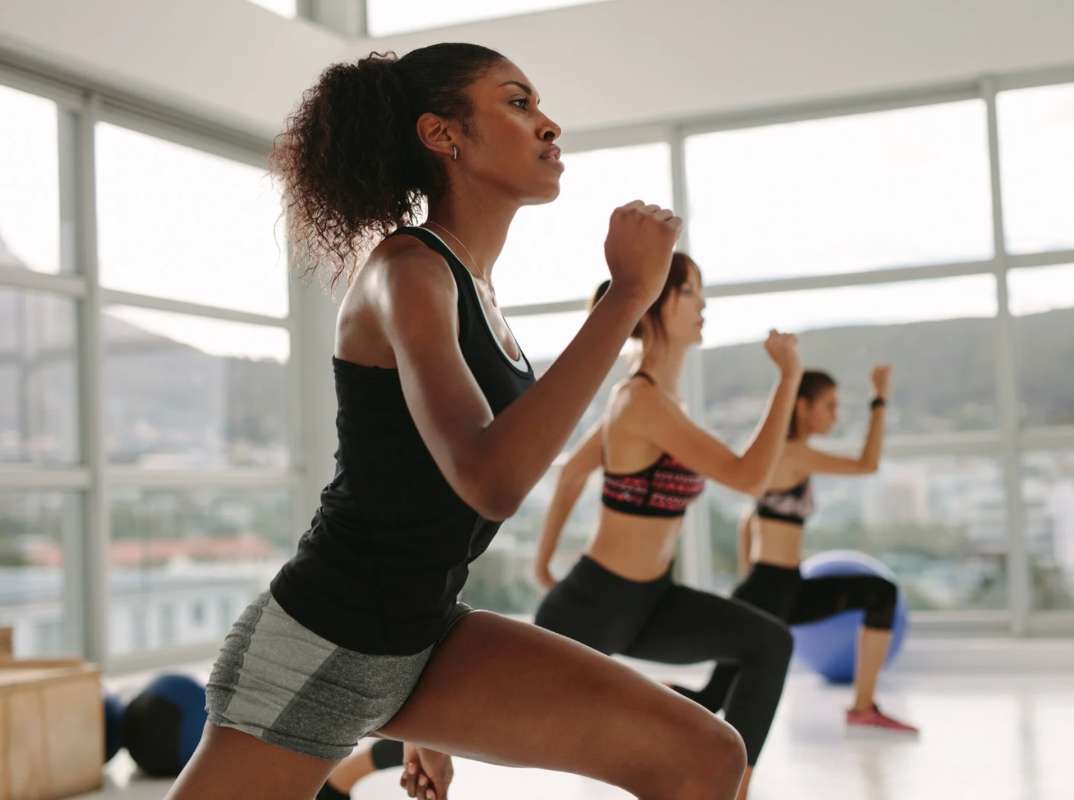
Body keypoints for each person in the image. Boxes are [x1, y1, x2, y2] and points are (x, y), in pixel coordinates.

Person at [168, 45, 751, 800]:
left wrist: (425, 716)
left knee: (705, 756)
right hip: (321, 642)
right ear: (444, 136)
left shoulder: (473, 286)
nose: (549, 125)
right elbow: (490, 478)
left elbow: (431, 495)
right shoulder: (405, 272)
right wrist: (626, 298)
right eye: (517, 103)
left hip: (424, 636)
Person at [533, 255, 801, 800]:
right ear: (663, 300)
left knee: (766, 645)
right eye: (693, 293)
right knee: (483, 720)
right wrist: (789, 378)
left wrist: (544, 561)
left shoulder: (655, 403)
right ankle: (349, 774)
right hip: (595, 603)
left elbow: (575, 474)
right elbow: (750, 477)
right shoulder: (641, 400)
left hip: (651, 603)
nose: (704, 305)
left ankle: (733, 791)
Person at [674, 366, 919, 734]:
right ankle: (629, 701)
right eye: (829, 405)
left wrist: (749, 576)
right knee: (710, 700)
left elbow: (748, 518)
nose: (835, 414)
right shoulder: (792, 454)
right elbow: (867, 464)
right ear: (803, 406)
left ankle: (862, 707)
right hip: (769, 589)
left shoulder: (789, 455)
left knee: (880, 595)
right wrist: (879, 398)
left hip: (783, 585)